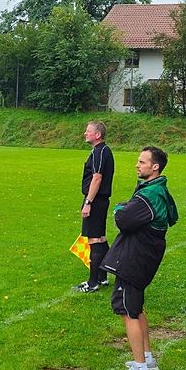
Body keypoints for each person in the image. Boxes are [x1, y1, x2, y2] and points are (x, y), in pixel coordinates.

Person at [100, 146, 178, 370]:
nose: (137, 165)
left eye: (142, 162)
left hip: (135, 259)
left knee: (128, 311)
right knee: (137, 307)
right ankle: (147, 358)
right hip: (144, 257)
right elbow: (172, 216)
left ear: (155, 167)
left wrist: (120, 210)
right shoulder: (159, 189)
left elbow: (123, 220)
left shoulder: (151, 194)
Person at [76, 121, 115, 293]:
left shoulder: (101, 151)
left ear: (98, 135)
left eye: (88, 131)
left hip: (96, 200)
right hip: (99, 200)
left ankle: (93, 283)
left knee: (94, 239)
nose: (85, 133)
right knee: (100, 238)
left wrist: (88, 202)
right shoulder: (101, 151)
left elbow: (97, 178)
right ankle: (103, 277)